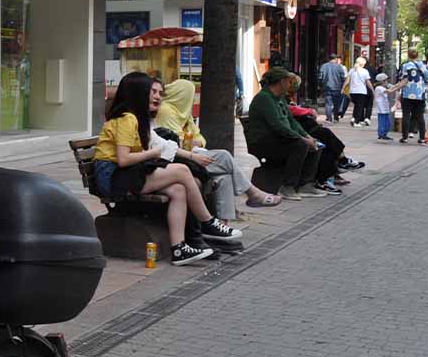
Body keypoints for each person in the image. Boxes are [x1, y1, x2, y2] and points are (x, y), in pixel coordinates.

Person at [94, 73, 242, 266]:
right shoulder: (127, 119)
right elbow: (123, 160)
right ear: (138, 93)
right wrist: (152, 154)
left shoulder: (137, 119)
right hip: (113, 177)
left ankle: (179, 249)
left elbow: (161, 145)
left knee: (179, 189)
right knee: (181, 171)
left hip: (126, 173)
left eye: (159, 93)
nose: (156, 96)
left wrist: (188, 155)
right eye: (151, 92)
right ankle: (208, 222)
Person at [155, 79, 281, 220]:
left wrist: (195, 143)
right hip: (179, 158)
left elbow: (200, 138)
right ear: (181, 95)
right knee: (224, 156)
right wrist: (192, 143)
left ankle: (223, 224)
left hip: (192, 154)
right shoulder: (167, 110)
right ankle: (252, 193)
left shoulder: (184, 112)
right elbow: (176, 143)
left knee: (224, 177)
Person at [245, 68, 327, 201]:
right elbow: (277, 126)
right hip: (264, 142)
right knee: (300, 146)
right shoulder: (264, 98)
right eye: (289, 82)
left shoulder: (280, 98)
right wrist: (302, 139)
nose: (290, 86)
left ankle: (305, 184)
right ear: (281, 82)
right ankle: (287, 187)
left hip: (279, 139)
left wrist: (307, 136)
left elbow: (291, 121)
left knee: (316, 144)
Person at [398, 48, 428, 145]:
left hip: (407, 94)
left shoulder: (405, 66)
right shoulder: (424, 66)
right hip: (420, 94)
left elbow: (403, 80)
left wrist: (395, 89)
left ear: (408, 55)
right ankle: (422, 138)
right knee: (420, 117)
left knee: (406, 115)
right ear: (418, 55)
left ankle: (405, 137)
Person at [373, 72, 405, 141]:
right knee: (382, 122)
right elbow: (389, 91)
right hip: (381, 109)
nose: (387, 82)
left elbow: (393, 87)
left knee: (387, 123)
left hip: (385, 108)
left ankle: (384, 134)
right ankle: (381, 134)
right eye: (385, 80)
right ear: (382, 81)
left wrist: (399, 84)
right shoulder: (379, 88)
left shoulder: (384, 87)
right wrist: (399, 87)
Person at [318, 53, 346, 123]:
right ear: (336, 59)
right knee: (336, 104)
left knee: (328, 103)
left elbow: (320, 77)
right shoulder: (339, 67)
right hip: (337, 87)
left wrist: (321, 84)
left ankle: (329, 118)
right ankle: (336, 118)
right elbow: (342, 77)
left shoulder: (324, 66)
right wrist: (342, 86)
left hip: (327, 87)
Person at [347, 56, 372, 127]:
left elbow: (347, 80)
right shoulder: (365, 71)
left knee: (356, 106)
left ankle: (354, 118)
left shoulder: (352, 70)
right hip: (361, 91)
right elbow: (368, 82)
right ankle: (356, 122)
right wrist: (372, 90)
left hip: (352, 91)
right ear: (362, 64)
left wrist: (343, 88)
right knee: (360, 107)